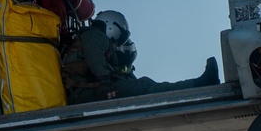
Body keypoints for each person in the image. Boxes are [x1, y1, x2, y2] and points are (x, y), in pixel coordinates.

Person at [61, 11, 219, 103]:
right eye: (118, 39)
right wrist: (105, 81)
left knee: (143, 84)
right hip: (83, 94)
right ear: (111, 27)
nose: (116, 45)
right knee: (144, 87)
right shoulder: (93, 35)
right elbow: (95, 60)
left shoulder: (92, 37)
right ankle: (198, 84)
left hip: (85, 91)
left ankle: (197, 84)